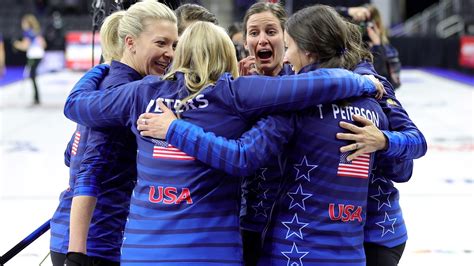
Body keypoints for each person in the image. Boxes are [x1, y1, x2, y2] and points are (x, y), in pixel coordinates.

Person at [63, 21, 382, 264]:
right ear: (227, 52)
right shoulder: (236, 94)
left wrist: (105, 66)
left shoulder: (141, 94)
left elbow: (76, 104)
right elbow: (312, 85)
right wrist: (364, 81)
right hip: (212, 252)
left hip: (143, 251)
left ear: (181, 52)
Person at [136, 5, 426, 266]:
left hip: (341, 238)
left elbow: (242, 156)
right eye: (253, 32)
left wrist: (384, 141)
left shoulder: (318, 98)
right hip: (328, 242)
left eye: (278, 37)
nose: (269, 43)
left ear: (305, 47)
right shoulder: (361, 92)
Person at [48, 1, 178, 265]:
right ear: (130, 42)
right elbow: (89, 170)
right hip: (92, 246)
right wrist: (76, 254)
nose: (170, 54)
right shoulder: (125, 94)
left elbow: (69, 154)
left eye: (174, 45)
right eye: (161, 43)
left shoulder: (111, 83)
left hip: (88, 236)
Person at [13, 14, 46, 105]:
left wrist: (16, 44)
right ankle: (36, 97)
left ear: (27, 23)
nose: (22, 25)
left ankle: (37, 98)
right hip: (39, 55)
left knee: (32, 75)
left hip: (33, 56)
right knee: (32, 75)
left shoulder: (27, 32)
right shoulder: (37, 31)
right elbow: (43, 44)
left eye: (23, 23)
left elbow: (25, 46)